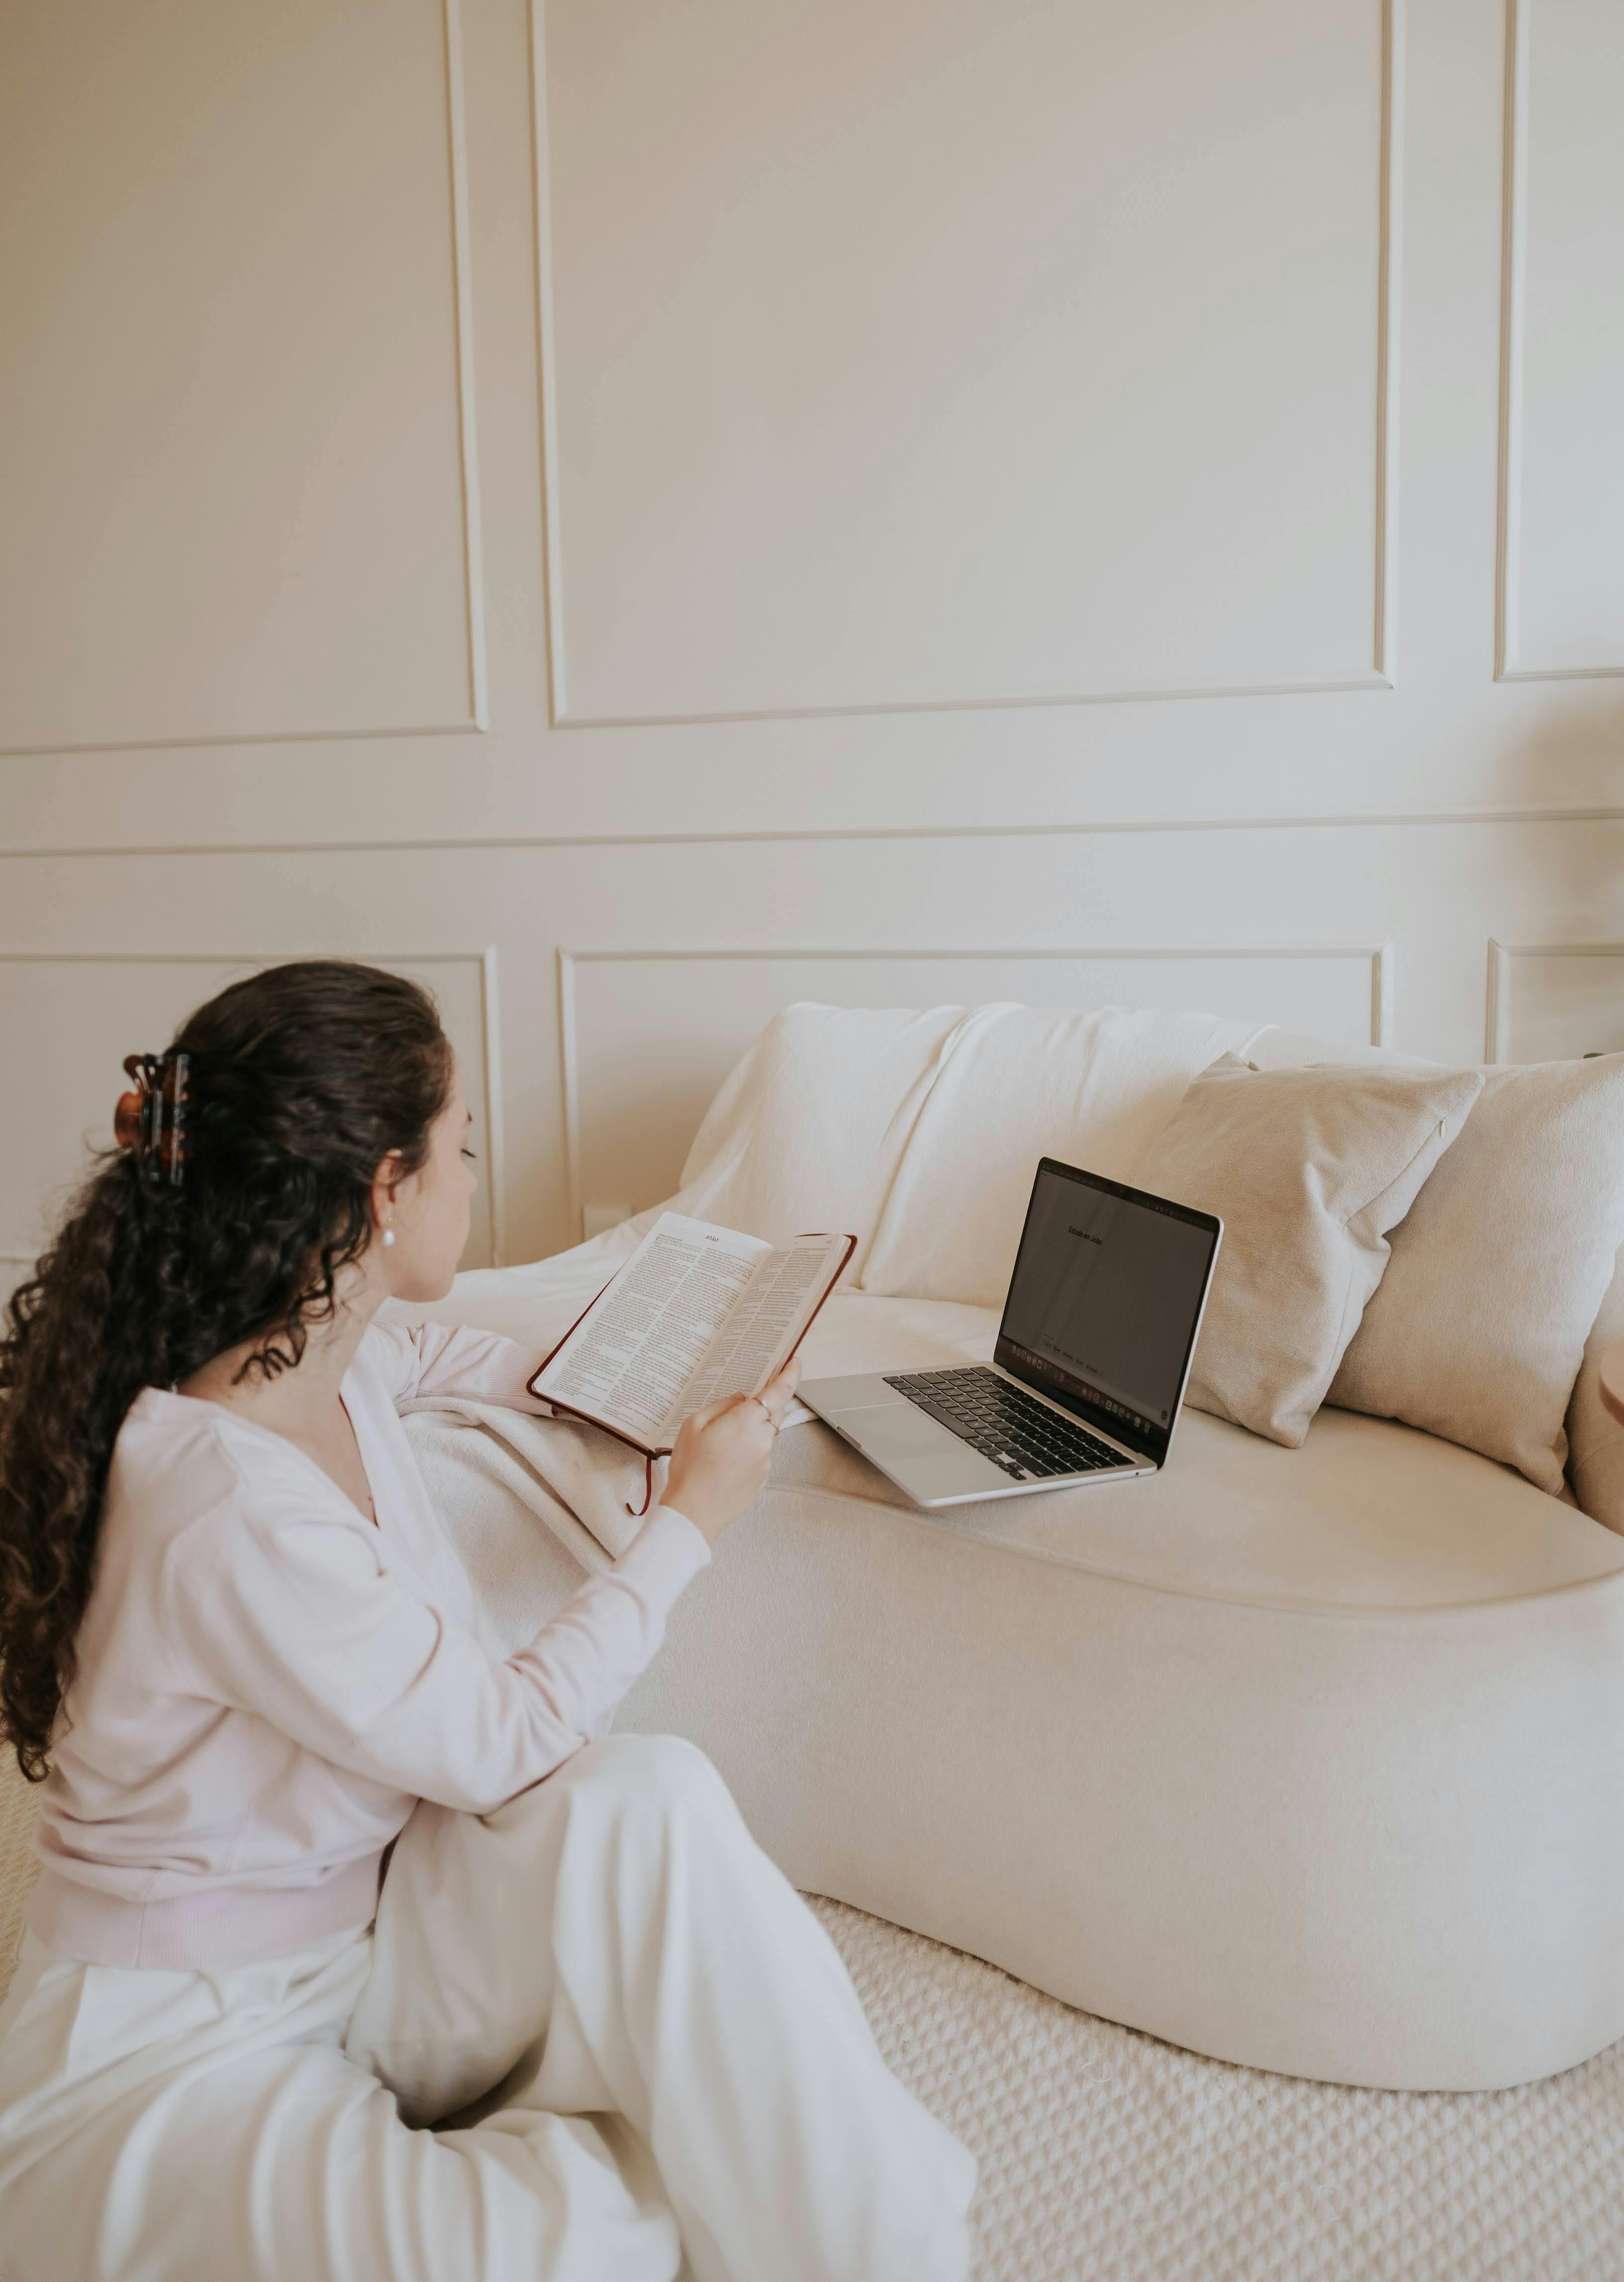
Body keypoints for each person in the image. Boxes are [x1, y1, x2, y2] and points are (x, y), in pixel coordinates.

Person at [0, 961, 974, 2281]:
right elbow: (503, 1738)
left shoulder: (310, 1359)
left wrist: (611, 1390)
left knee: (655, 1801)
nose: (474, 1172)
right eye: (461, 1147)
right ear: (384, 1193)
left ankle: (899, 2252)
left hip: (371, 1926)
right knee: (586, 2237)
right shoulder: (220, 1500)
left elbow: (439, 1357)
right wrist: (686, 1516)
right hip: (182, 2043)